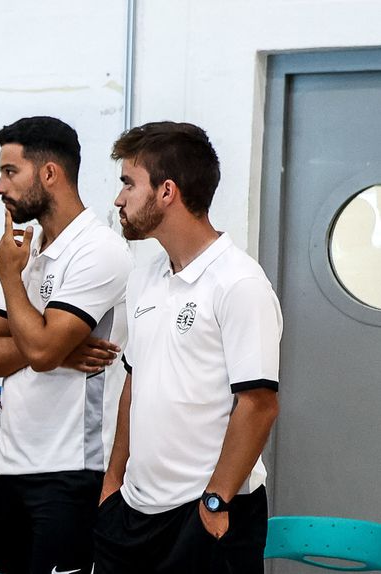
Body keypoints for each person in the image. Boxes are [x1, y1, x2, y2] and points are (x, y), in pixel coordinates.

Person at [94, 122, 281, 573]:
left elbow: (258, 405)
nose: (119, 198)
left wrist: (216, 501)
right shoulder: (144, 278)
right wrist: (113, 482)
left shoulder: (239, 283)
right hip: (133, 511)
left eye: (128, 183)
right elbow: (133, 385)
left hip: (207, 515)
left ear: (167, 192)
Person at [0, 116, 132, 574]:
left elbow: (40, 353)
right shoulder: (32, 251)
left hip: (71, 472)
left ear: (49, 174)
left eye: (9, 172)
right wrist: (56, 346)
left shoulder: (96, 250)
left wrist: (9, 280)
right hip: (11, 469)